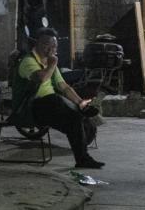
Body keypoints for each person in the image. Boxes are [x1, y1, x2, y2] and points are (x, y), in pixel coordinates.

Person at [12, 28, 104, 170]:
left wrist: (80, 102)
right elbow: (41, 78)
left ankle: (83, 158)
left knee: (75, 119)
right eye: (49, 45)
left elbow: (64, 87)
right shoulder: (28, 61)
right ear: (39, 44)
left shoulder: (48, 63)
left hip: (49, 106)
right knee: (56, 100)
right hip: (30, 108)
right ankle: (82, 152)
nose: (53, 49)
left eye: (55, 46)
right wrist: (52, 64)